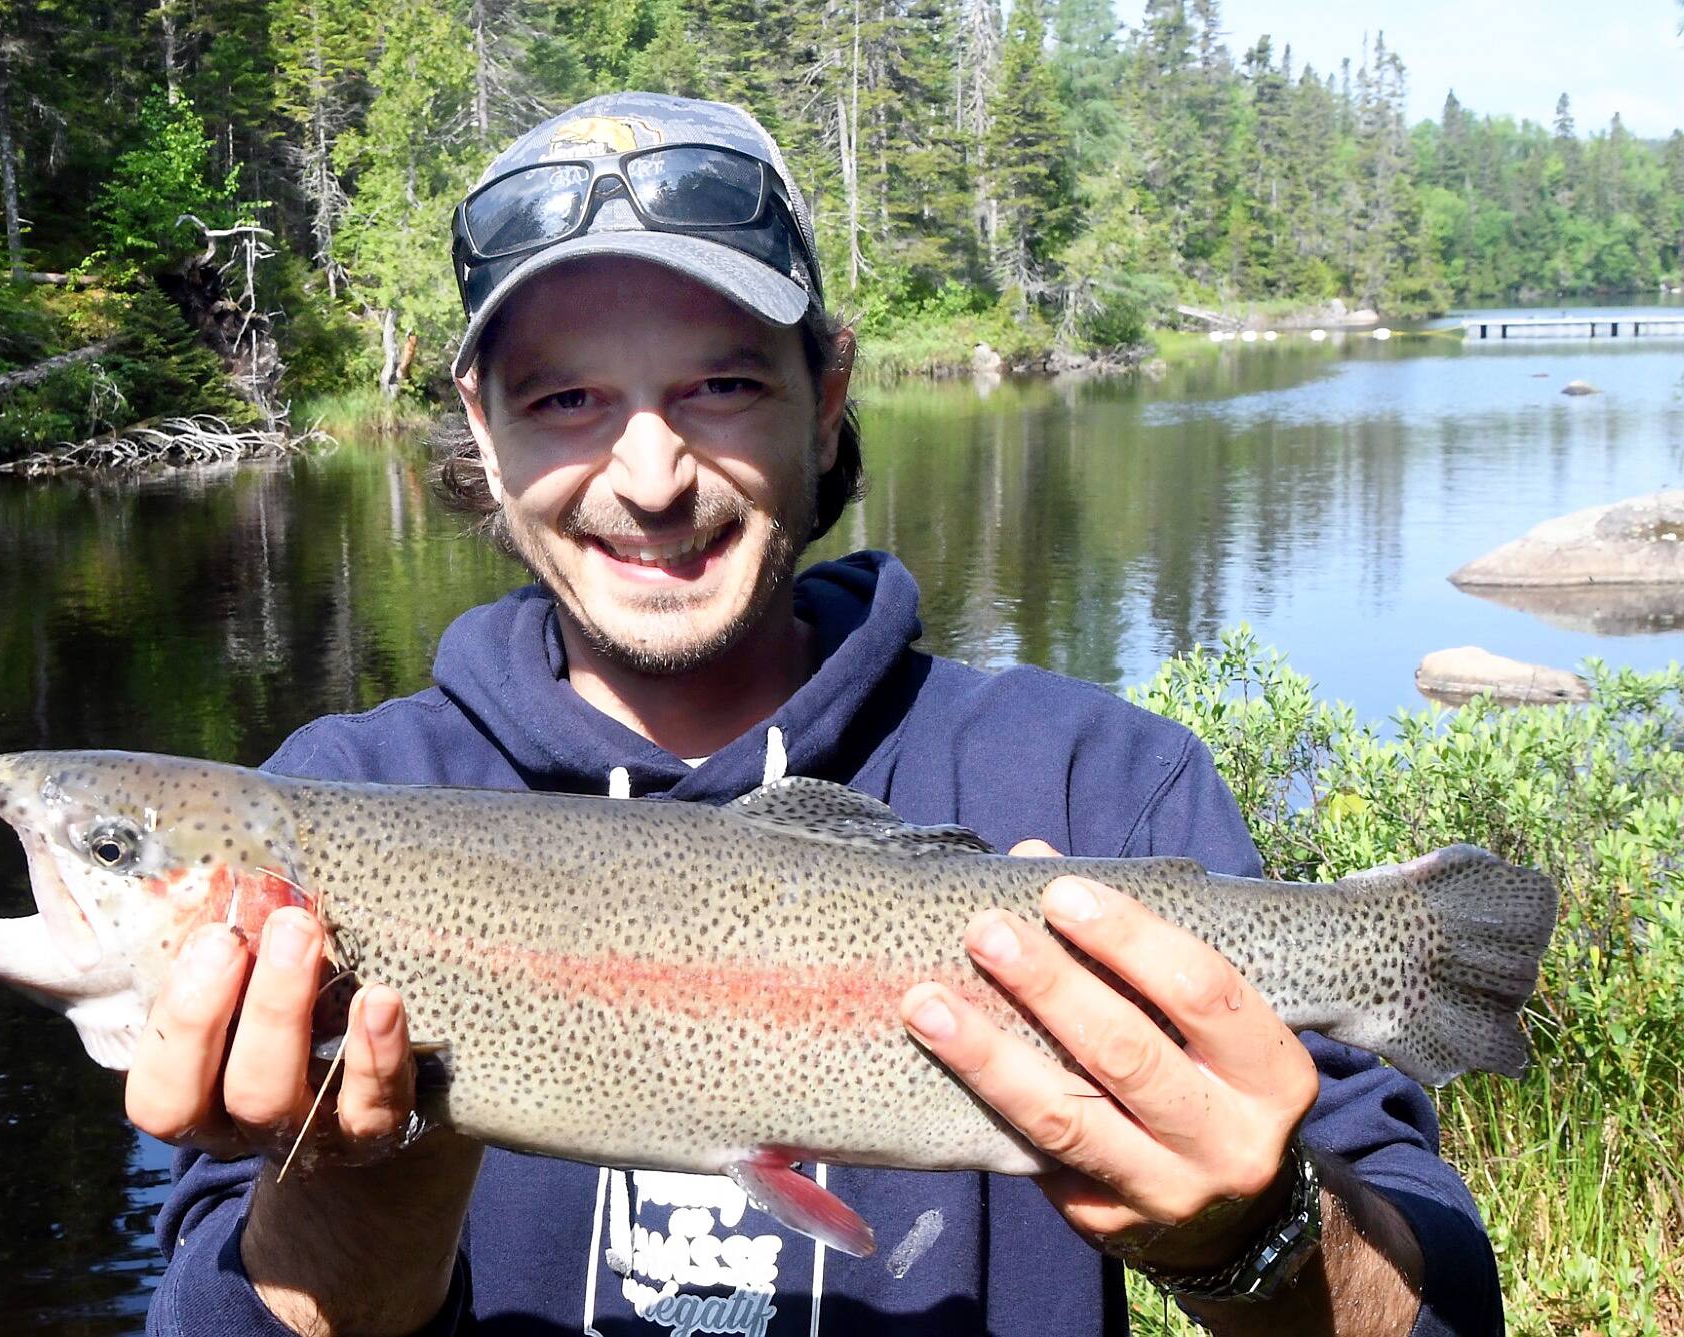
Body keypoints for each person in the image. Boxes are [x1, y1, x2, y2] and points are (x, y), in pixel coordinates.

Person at [134, 93, 1501, 1337]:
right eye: (568, 401)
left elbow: (1445, 1318)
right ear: (482, 431)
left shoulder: (1100, 784)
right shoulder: (339, 809)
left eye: (721, 385)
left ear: (828, 393)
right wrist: (368, 1192)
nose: (652, 475)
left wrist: (1247, 1237)